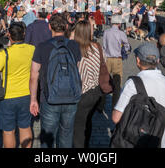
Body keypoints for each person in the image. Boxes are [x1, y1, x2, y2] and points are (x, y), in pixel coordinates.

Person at [29, 13, 82, 148]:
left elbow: (34, 75)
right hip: (71, 97)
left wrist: (33, 99)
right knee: (66, 136)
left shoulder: (42, 47)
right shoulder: (74, 45)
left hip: (49, 97)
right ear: (65, 27)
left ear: (49, 27)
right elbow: (77, 71)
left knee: (47, 137)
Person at [112, 42, 165, 148]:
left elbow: (116, 118)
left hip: (135, 142)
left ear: (138, 60)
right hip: (159, 143)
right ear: (157, 61)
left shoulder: (133, 83)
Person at [0, 22, 35, 148]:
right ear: (24, 34)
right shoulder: (32, 49)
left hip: (7, 97)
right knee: (25, 126)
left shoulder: (4, 53)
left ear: (9, 35)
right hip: (26, 94)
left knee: (9, 130)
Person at [72, 20, 103, 148]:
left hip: (82, 92)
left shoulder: (76, 51)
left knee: (78, 127)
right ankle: (86, 144)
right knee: (88, 121)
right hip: (96, 91)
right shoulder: (96, 48)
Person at [101, 14, 130, 111]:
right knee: (117, 83)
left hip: (107, 59)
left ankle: (101, 105)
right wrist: (125, 50)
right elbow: (126, 44)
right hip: (117, 59)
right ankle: (115, 105)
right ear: (119, 23)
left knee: (105, 81)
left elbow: (104, 47)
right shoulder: (121, 33)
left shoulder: (106, 32)